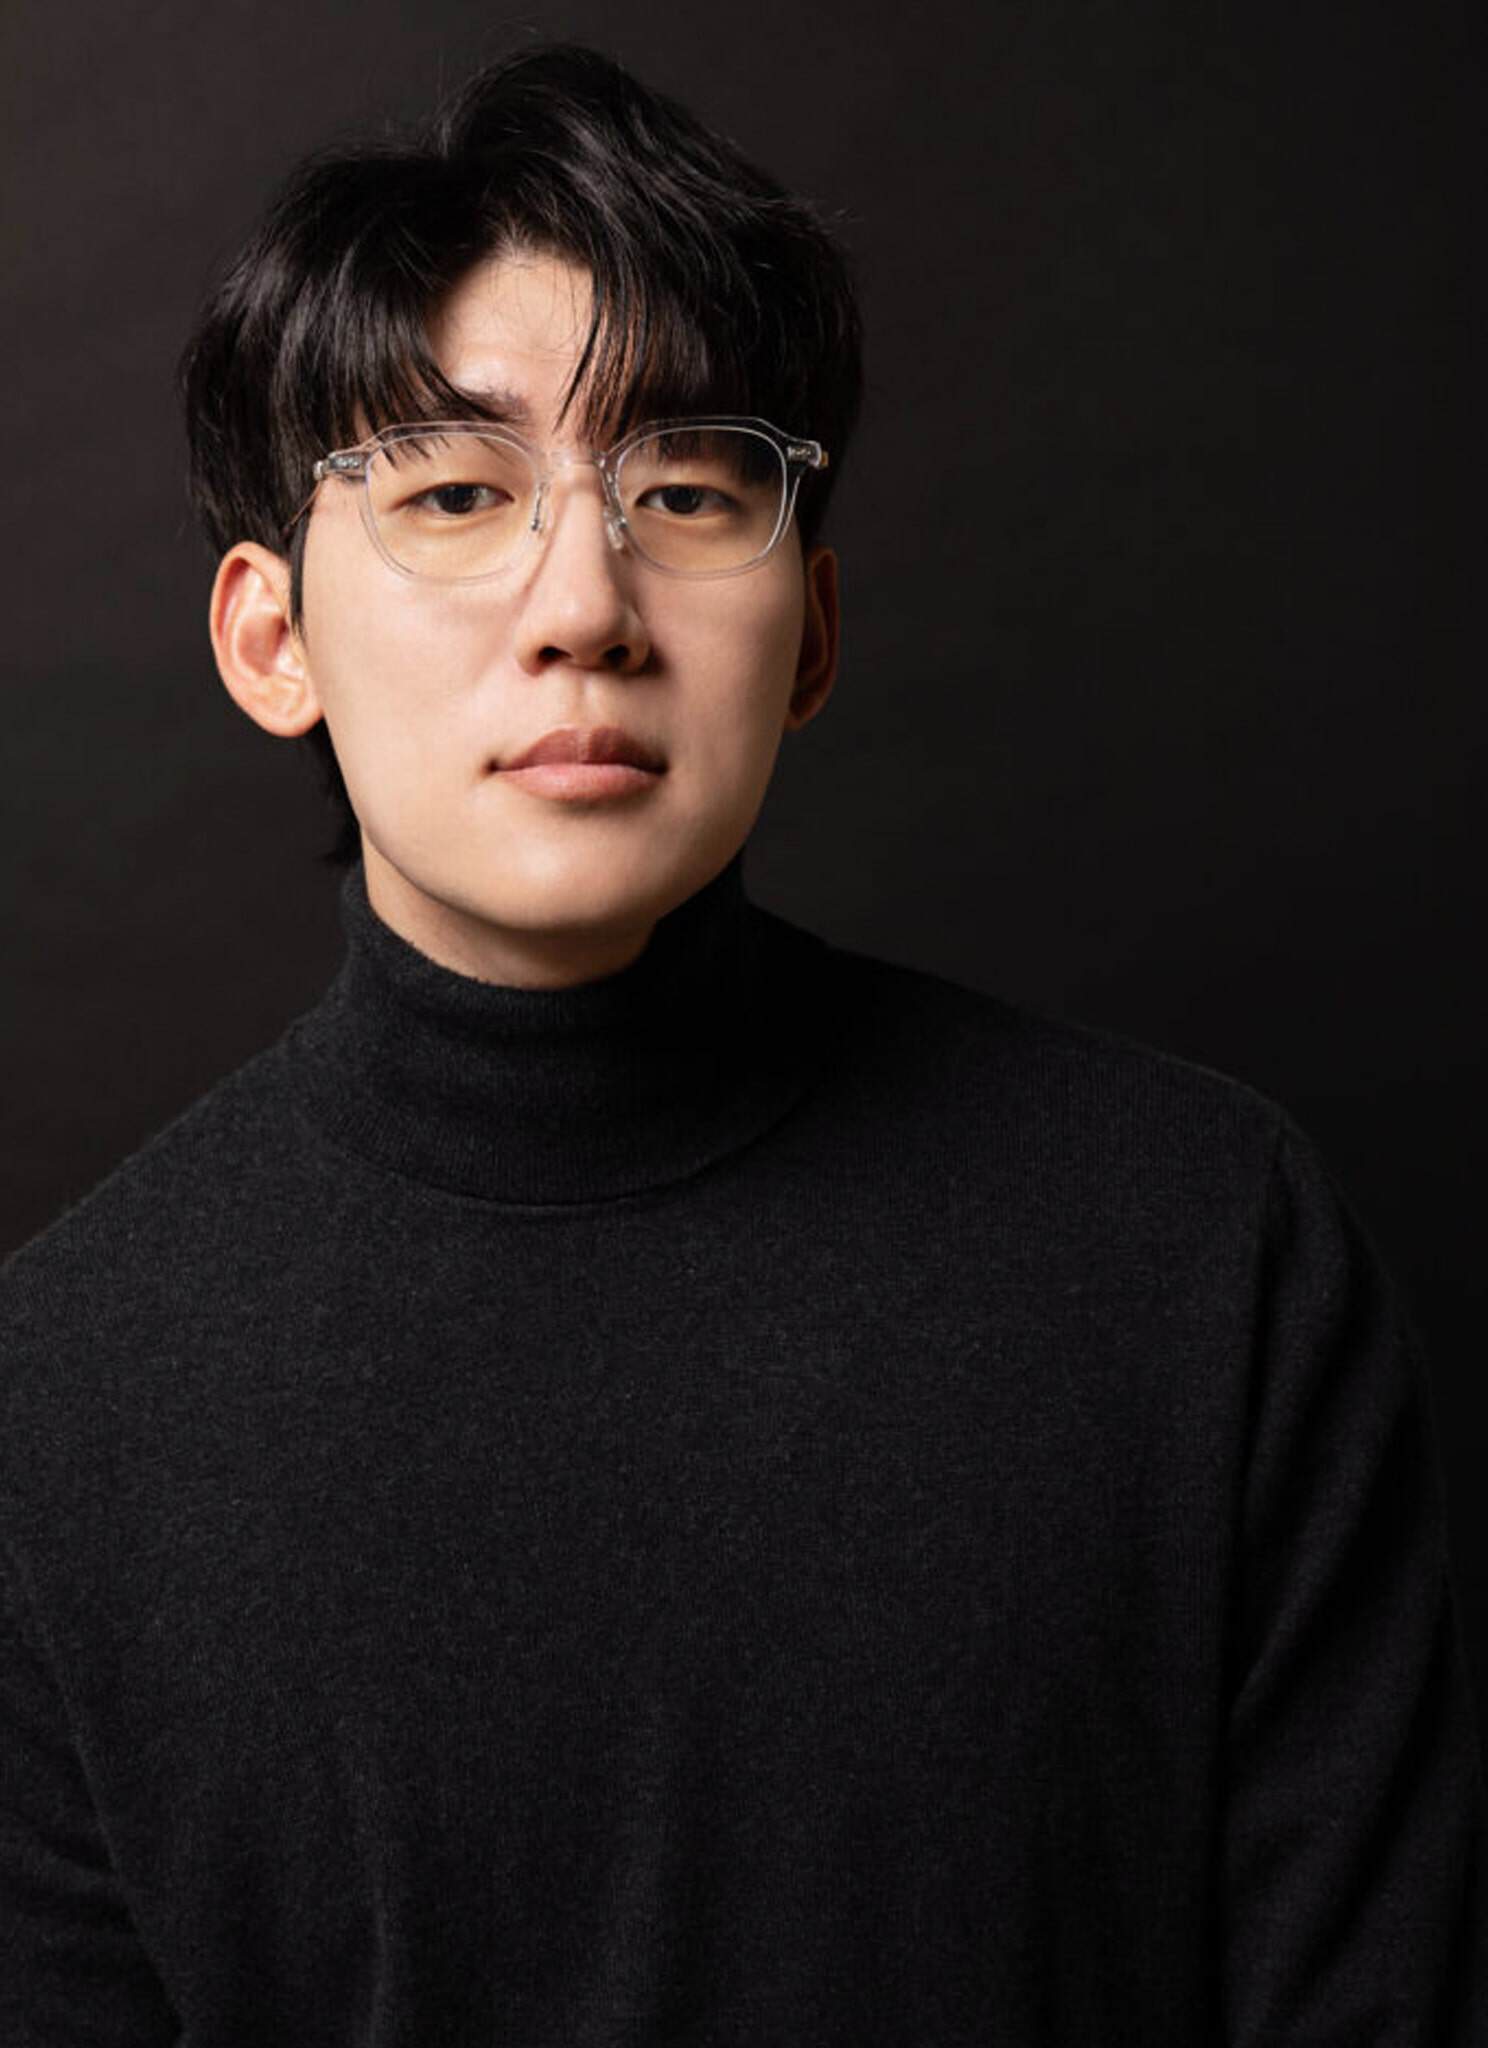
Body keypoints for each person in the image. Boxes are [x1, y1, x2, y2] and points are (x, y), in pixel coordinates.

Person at [0, 38, 1482, 2046]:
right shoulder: (60, 1407)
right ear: (272, 639)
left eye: (688, 490)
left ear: (815, 633)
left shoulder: (1207, 1256)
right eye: (455, 490)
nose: (585, 604)